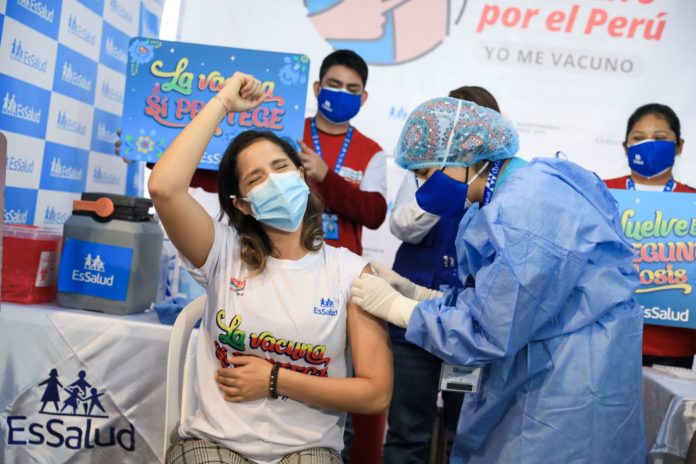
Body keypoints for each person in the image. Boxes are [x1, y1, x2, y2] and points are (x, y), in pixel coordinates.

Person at [351, 97, 646, 463]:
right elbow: (498, 297)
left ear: (467, 156)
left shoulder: (525, 208)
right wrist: (423, 296)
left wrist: (399, 308)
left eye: (426, 174)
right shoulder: (513, 192)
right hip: (549, 371)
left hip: (565, 394)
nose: (421, 186)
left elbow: (491, 329)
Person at [148, 72, 392, 464]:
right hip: (215, 444)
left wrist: (275, 381)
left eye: (281, 168)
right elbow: (164, 187)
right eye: (257, 178)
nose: (274, 182)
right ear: (242, 203)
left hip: (306, 451)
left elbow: (375, 392)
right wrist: (223, 104)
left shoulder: (349, 272)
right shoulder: (222, 252)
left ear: (301, 176)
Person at [384, 86, 509, 463]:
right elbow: (403, 227)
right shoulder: (427, 166)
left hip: (468, 325)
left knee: (465, 434)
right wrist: (441, 189)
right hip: (414, 321)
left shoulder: (502, 181)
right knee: (407, 432)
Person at [296, 49, 388, 463]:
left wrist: (325, 177)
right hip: (288, 269)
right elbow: (229, 172)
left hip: (342, 282)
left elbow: (373, 213)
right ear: (317, 88)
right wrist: (155, 152)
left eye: (352, 89)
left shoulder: (370, 152)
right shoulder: (287, 133)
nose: (342, 94)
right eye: (334, 85)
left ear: (363, 99)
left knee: (356, 381)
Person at [605, 103, 696, 369]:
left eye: (660, 138)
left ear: (679, 145)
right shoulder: (600, 191)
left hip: (674, 342)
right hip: (608, 337)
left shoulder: (692, 201)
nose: (648, 144)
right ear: (626, 146)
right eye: (639, 138)